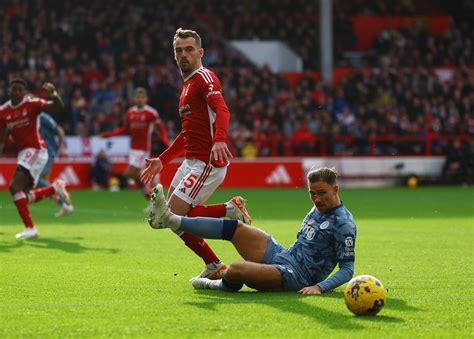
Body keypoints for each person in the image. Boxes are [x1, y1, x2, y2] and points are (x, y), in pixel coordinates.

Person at [140, 28, 252, 279]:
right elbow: (186, 134)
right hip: (191, 162)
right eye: (178, 50)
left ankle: (226, 221)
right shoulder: (186, 87)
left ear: (200, 52)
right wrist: (163, 159)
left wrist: (219, 140)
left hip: (207, 163)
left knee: (170, 216)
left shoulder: (205, 77)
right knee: (172, 218)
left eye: (189, 49)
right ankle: (214, 261)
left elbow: (222, 110)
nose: (184, 55)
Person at [148, 167, 356, 294]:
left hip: (297, 276)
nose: (317, 199)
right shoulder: (318, 206)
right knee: (237, 228)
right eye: (312, 193)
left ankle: (218, 284)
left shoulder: (343, 223)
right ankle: (169, 219)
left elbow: (347, 269)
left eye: (322, 193)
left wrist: (319, 287)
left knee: (237, 268)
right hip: (284, 255)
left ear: (336, 189)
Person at [0, 79, 71, 238]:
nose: (17, 92)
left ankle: (30, 228)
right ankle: (55, 189)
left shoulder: (32, 104)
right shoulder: (3, 112)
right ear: (9, 91)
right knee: (24, 196)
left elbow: (58, 107)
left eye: (20, 90)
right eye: (14, 89)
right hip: (25, 154)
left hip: (36, 150)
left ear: (24, 92)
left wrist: (53, 94)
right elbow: (2, 136)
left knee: (14, 187)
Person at [101, 87, 169, 200]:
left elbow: (161, 129)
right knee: (136, 175)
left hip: (143, 149)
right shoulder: (130, 112)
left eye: (142, 97)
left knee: (129, 173)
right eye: (137, 97)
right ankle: (151, 195)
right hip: (132, 149)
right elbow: (125, 130)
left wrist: (166, 141)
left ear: (146, 99)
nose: (139, 100)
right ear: (134, 99)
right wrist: (110, 134)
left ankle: (151, 190)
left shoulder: (151, 113)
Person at [36, 111, 75, 217]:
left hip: (48, 151)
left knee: (36, 179)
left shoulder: (43, 117)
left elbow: (59, 130)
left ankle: (62, 197)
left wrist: (62, 147)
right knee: (44, 185)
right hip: (38, 153)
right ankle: (65, 206)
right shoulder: (28, 117)